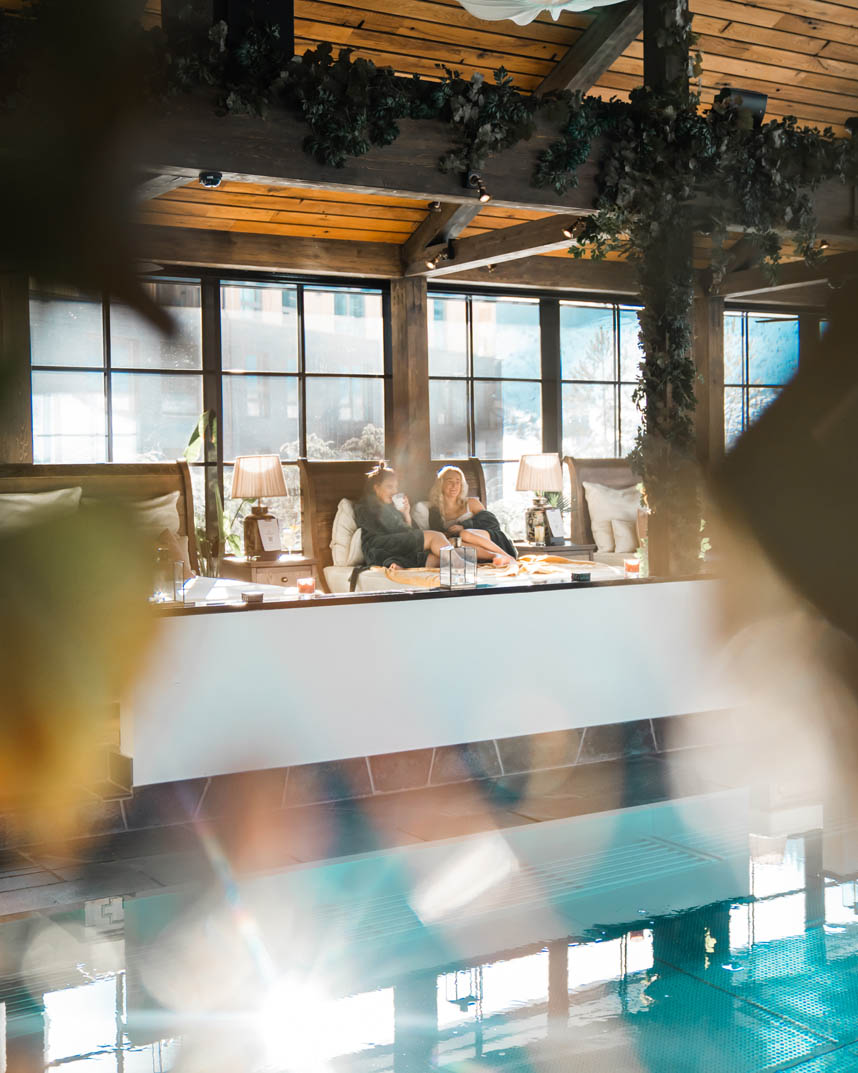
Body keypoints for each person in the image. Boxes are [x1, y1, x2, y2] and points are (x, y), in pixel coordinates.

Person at [354, 462, 450, 570]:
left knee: (436, 560)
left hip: (395, 552)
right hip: (379, 548)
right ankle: (464, 566)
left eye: (396, 487)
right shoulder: (368, 506)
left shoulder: (390, 507)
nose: (394, 491)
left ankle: (398, 565)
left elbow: (408, 532)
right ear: (376, 488)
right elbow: (404, 531)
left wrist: (406, 513)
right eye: (390, 487)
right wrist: (418, 536)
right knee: (436, 536)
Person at [425, 465, 517, 565]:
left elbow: (492, 523)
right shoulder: (435, 511)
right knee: (452, 543)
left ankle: (507, 556)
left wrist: (463, 526)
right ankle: (490, 557)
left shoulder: (471, 502)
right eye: (450, 481)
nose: (454, 485)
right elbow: (437, 536)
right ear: (441, 484)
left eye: (458, 482)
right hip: (470, 548)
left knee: (465, 533)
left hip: (492, 541)